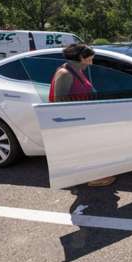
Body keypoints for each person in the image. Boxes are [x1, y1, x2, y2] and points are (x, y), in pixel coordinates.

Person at [49, 44, 116, 187]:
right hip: (75, 120)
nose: (91, 63)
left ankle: (94, 175)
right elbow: (58, 102)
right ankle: (92, 178)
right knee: (85, 149)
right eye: (90, 59)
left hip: (83, 118)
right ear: (81, 58)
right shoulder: (65, 74)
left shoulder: (76, 70)